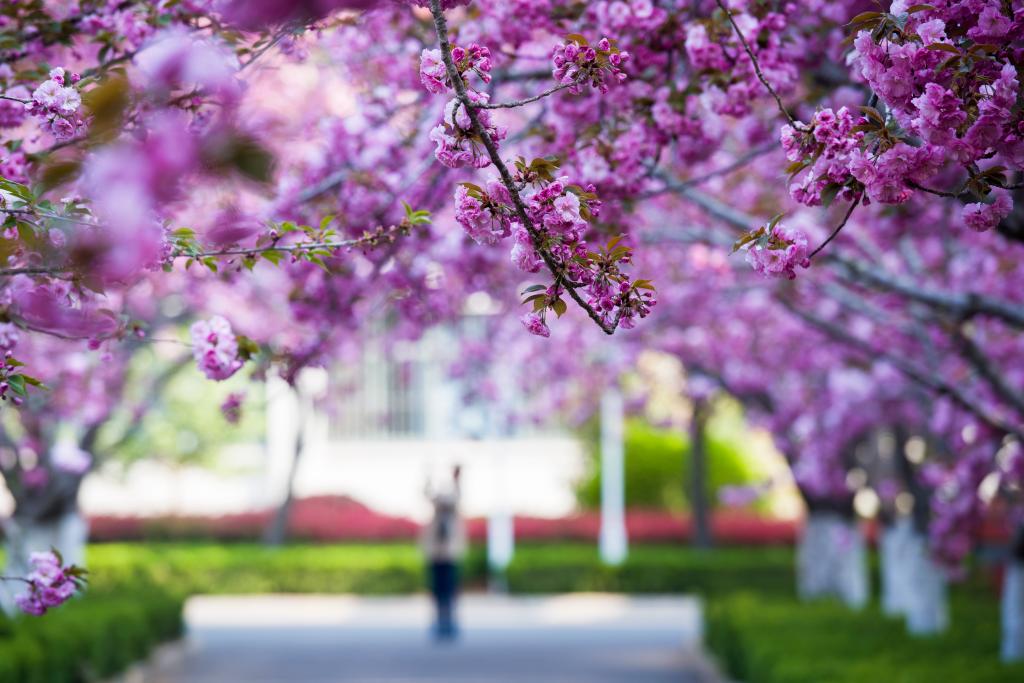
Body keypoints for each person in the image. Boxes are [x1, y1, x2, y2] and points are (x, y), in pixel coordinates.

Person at [421, 464, 466, 640]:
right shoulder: (435, 518)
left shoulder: (453, 514)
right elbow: (427, 494)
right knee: (437, 590)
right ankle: (439, 621)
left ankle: (450, 621)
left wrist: (456, 478)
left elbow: (456, 496)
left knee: (450, 589)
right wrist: (428, 476)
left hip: (450, 555)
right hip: (435, 554)